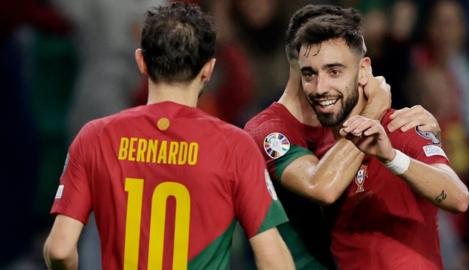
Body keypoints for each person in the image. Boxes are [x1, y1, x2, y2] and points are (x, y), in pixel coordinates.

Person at [43, 3, 294, 270]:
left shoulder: (95, 137)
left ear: (141, 61)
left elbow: (60, 249)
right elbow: (273, 259)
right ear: (208, 69)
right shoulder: (235, 146)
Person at [244, 4, 449, 269]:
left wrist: (429, 140)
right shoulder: (268, 129)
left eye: (338, 69)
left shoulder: (343, 119)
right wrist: (375, 108)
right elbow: (322, 187)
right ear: (300, 59)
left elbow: (450, 193)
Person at [293, 5, 469, 269]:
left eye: (334, 71)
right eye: (310, 74)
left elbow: (458, 198)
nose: (320, 87)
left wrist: (392, 158)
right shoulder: (308, 149)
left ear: (364, 70)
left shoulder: (403, 126)